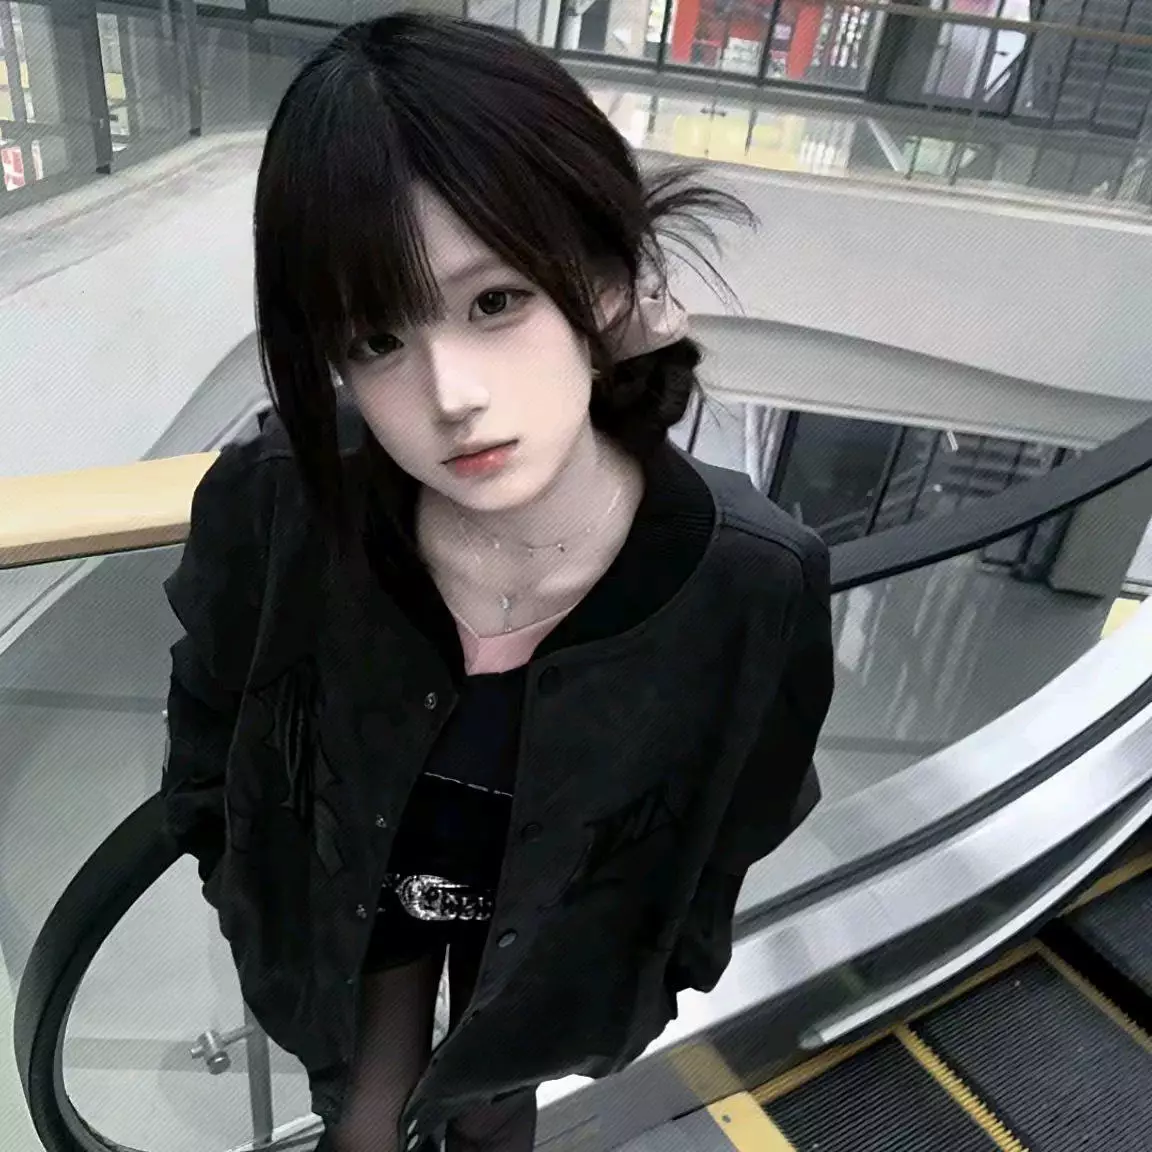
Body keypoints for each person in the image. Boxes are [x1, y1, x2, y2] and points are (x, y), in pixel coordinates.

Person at [159, 12, 835, 1152]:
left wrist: (656, 963)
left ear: (606, 280)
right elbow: (211, 714)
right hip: (357, 903)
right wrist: (245, 885)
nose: (451, 395)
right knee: (361, 1116)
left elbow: (747, 807)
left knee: (490, 1110)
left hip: (547, 949)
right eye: (375, 340)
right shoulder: (280, 503)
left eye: (495, 302)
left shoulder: (749, 579)